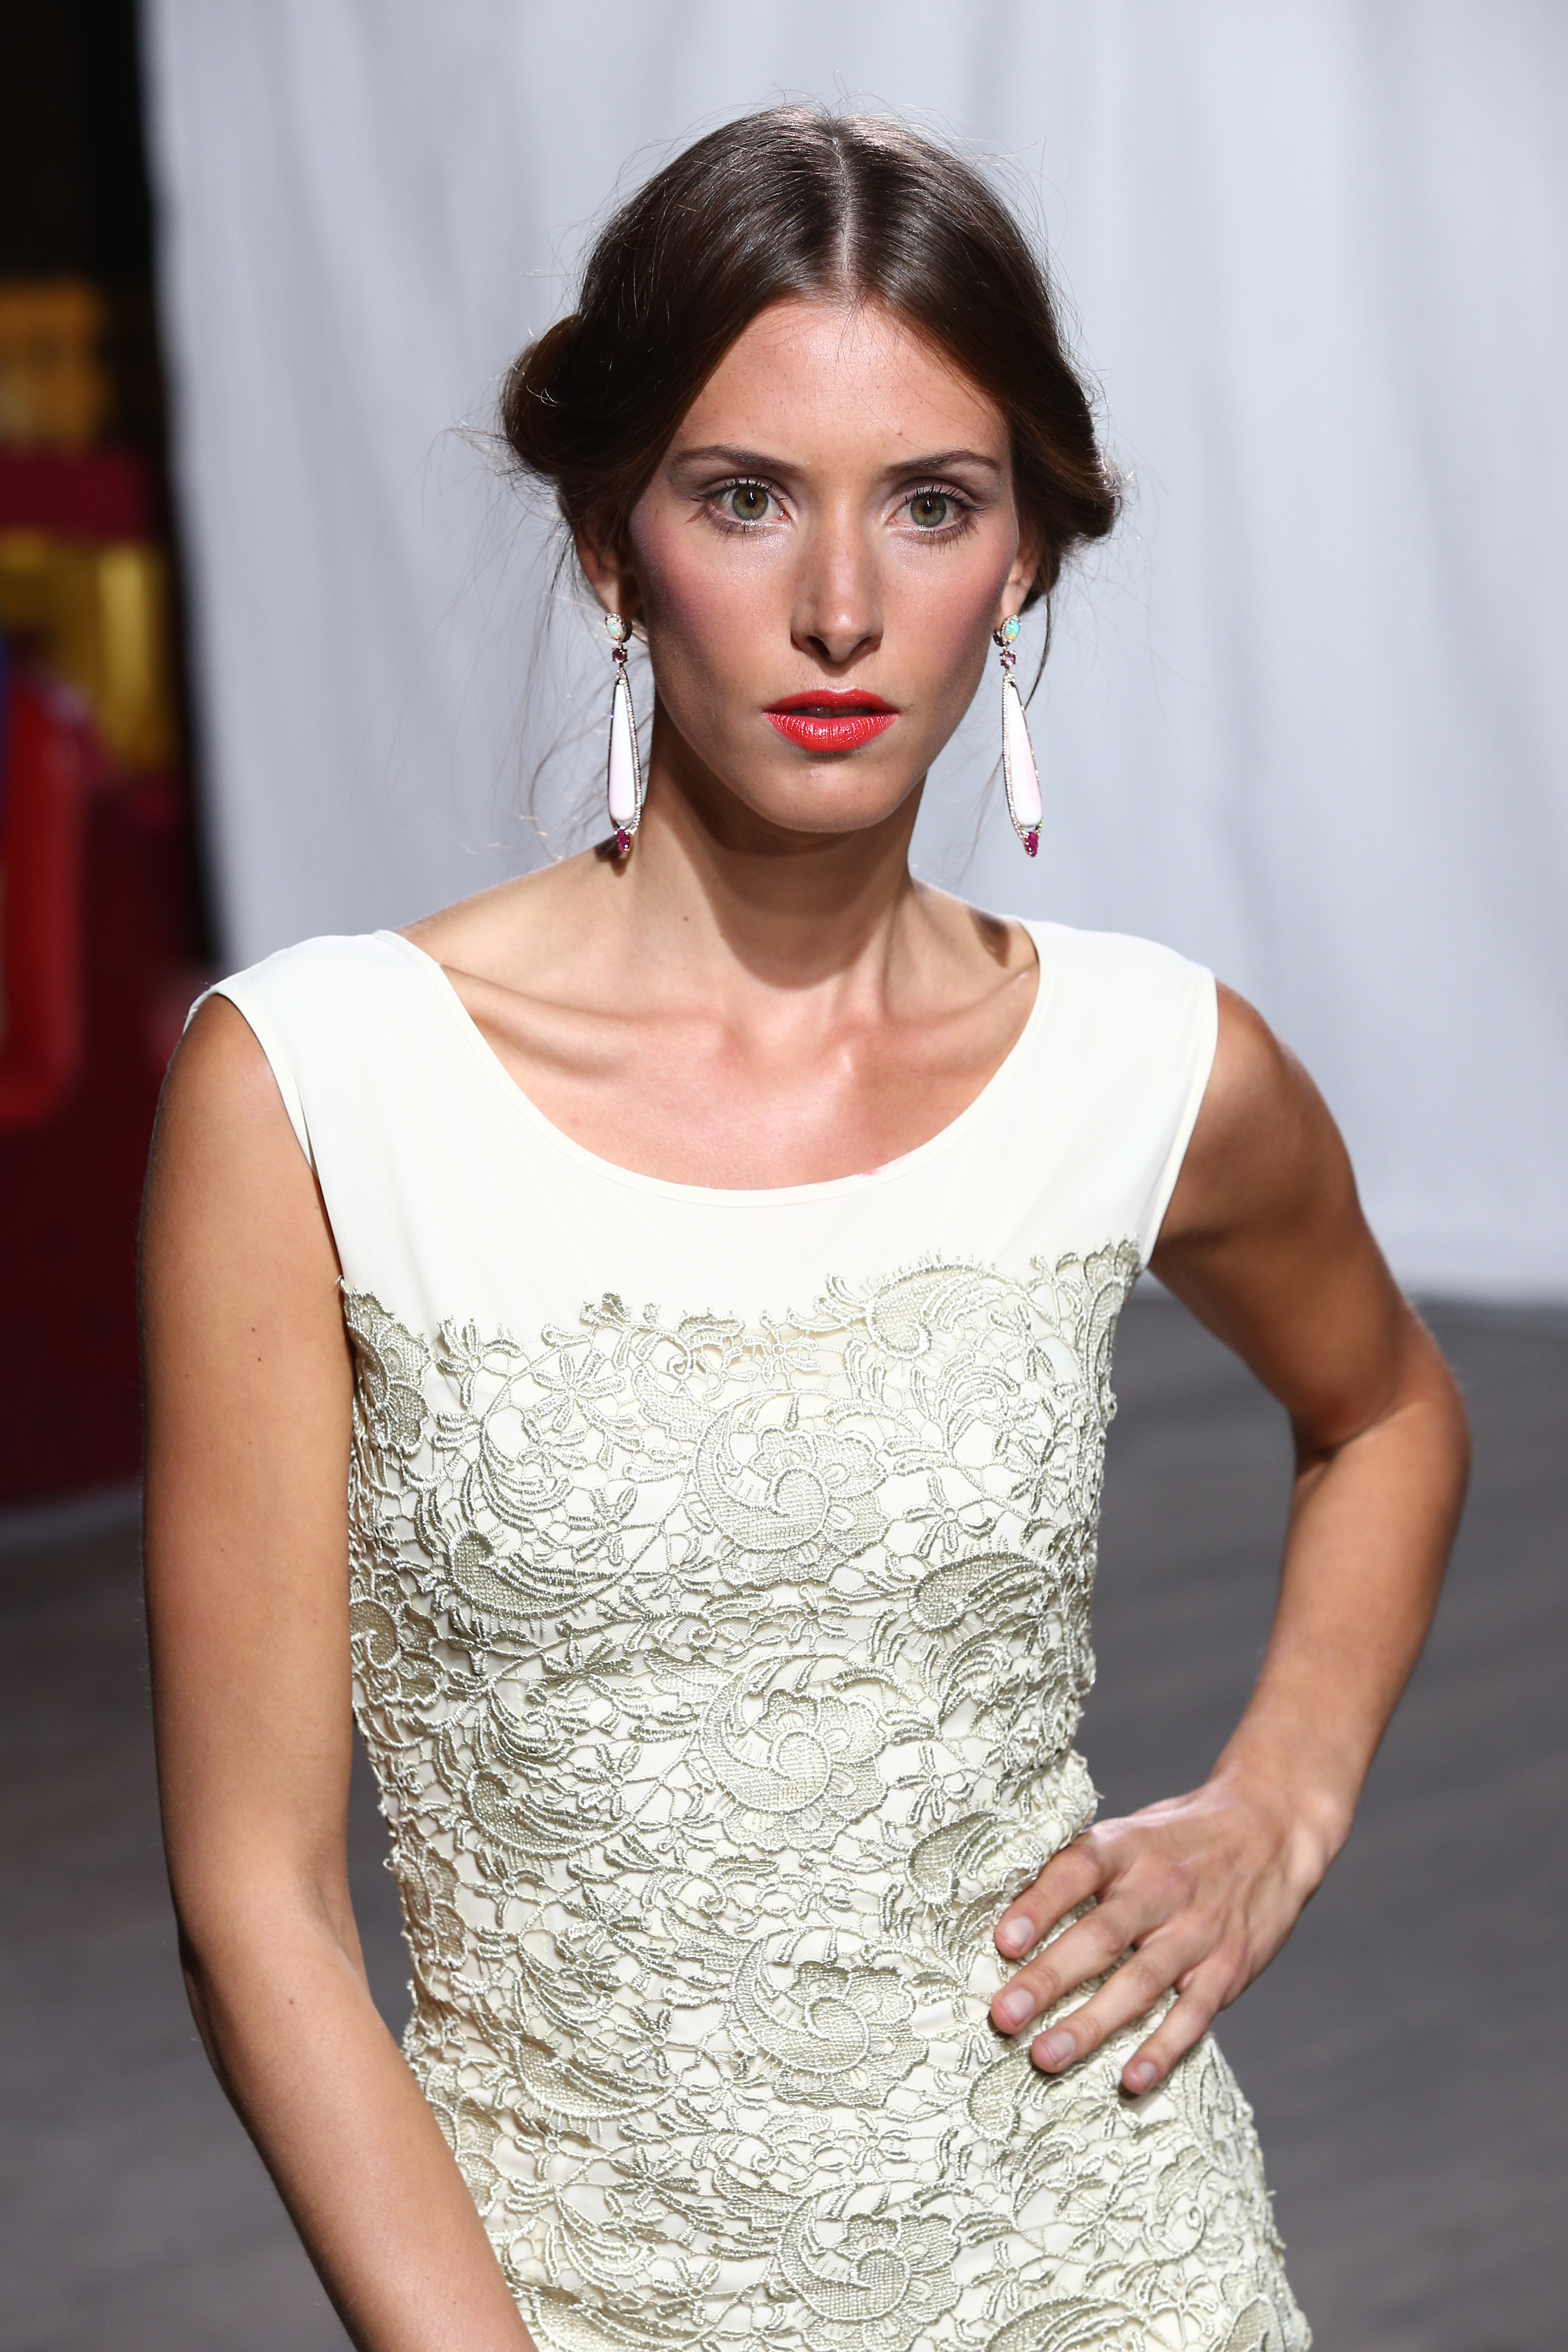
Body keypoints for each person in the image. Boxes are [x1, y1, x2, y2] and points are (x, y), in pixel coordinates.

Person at [141, 107, 1468, 2352]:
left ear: (1022, 559)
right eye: (745, 496)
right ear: (609, 542)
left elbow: (1393, 1413)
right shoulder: (318, 1089)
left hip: (1112, 2270)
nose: (840, 606)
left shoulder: (1146, 1061)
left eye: (931, 504)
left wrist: (1282, 1802)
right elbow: (254, 1903)